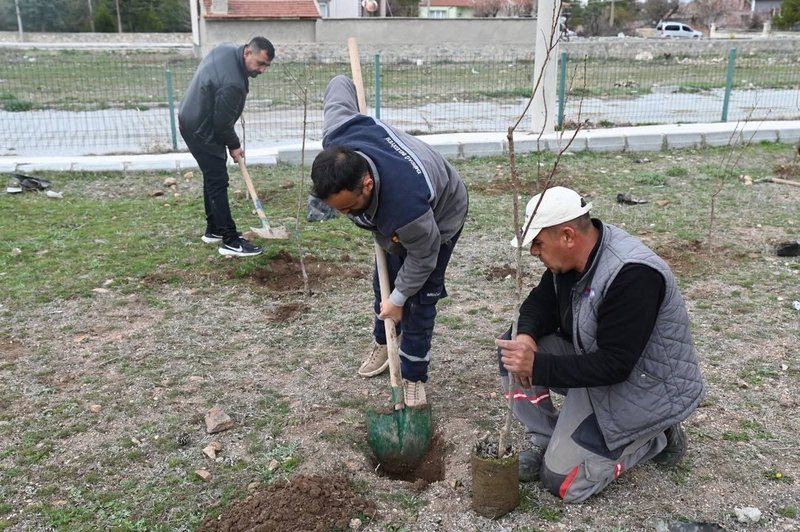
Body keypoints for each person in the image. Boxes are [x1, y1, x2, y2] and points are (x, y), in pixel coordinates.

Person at [495, 186, 704, 503]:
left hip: (642, 389)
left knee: (562, 483)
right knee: (511, 349)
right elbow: (540, 303)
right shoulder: (569, 261)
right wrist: (524, 334)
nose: (533, 252)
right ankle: (547, 439)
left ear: (567, 236)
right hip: (595, 368)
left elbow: (615, 365)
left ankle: (657, 436)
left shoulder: (633, 274)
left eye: (537, 243)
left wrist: (537, 366)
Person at [310, 75, 469, 407]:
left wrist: (399, 299)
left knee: (420, 298)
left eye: (349, 208)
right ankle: (385, 342)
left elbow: (423, 258)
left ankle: (413, 375)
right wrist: (392, 297)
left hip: (439, 217)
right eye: (337, 209)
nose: (345, 216)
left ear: (366, 184)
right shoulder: (338, 137)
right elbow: (339, 85)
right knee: (382, 284)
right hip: (395, 220)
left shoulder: (405, 206)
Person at [179, 37, 275, 257]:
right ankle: (230, 240)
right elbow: (222, 123)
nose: (262, 70)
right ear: (247, 53)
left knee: (212, 176)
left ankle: (214, 230)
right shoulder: (233, 83)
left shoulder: (226, 49)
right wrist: (234, 145)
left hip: (191, 116)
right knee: (218, 181)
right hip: (202, 128)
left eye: (266, 66)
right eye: (260, 64)